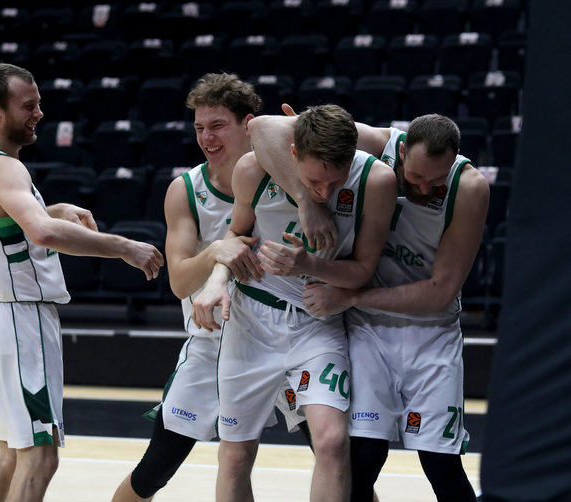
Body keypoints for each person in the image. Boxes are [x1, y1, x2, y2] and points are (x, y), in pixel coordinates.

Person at [0, 63, 164, 502]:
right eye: (28, 105)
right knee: (40, 455)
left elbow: (13, 226)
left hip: (0, 316)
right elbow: (41, 234)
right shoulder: (5, 168)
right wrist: (124, 246)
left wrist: (53, 209)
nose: (39, 113)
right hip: (20, 320)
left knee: (11, 451)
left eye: (39, 103)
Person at [111, 73, 314, 502]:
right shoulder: (185, 190)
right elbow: (180, 280)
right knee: (155, 471)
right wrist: (217, 250)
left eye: (218, 125)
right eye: (199, 127)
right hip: (214, 345)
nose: (207, 137)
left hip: (289, 336)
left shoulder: (290, 175)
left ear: (249, 124)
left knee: (342, 461)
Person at [191, 104, 397, 501]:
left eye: (336, 184)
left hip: (316, 322)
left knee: (334, 442)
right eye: (315, 182)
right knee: (234, 455)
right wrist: (217, 280)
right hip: (252, 320)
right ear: (292, 154)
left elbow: (363, 270)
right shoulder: (253, 170)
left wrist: (311, 264)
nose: (326, 194)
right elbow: (236, 238)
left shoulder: (377, 180)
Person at [296, 115, 489, 502]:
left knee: (441, 464)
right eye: (415, 177)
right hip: (369, 331)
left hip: (430, 331)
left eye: (435, 181)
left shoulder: (469, 186)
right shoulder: (373, 143)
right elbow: (267, 129)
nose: (422, 187)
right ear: (400, 150)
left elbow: (439, 292)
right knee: (362, 460)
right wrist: (306, 201)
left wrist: (351, 296)